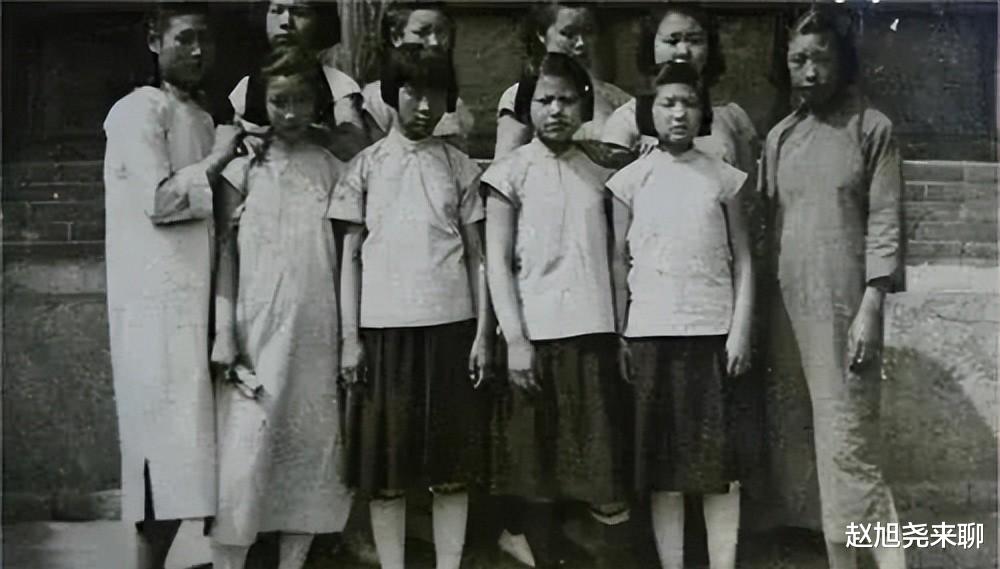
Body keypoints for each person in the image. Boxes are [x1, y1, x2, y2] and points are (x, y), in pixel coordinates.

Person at [329, 45, 492, 569]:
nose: (424, 106)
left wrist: (482, 334)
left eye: (436, 94)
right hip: (384, 333)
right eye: (412, 93)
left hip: (450, 330)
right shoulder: (365, 167)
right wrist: (351, 339)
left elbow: (478, 256)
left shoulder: (460, 167)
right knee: (387, 472)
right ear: (390, 94)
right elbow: (351, 257)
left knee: (451, 468)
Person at [759, 8, 905, 569]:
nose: (810, 71)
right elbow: (767, 225)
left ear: (843, 61)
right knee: (811, 450)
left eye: (821, 58)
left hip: (847, 307)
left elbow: (886, 222)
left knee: (850, 448)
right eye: (799, 60)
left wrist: (872, 304)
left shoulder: (872, 129)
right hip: (787, 310)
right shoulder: (780, 137)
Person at [103, 5, 243, 568]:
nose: (198, 51)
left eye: (205, 39)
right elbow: (160, 200)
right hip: (153, 311)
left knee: (193, 460)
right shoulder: (136, 111)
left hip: (199, 302)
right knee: (159, 461)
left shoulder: (204, 118)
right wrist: (221, 156)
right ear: (154, 40)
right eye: (185, 38)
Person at [483, 52, 631, 569]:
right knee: (537, 467)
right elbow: (497, 262)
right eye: (545, 100)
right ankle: (538, 553)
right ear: (528, 106)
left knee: (597, 464)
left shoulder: (600, 172)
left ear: (584, 106)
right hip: (536, 337)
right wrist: (515, 340)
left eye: (567, 100)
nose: (556, 110)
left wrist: (620, 331)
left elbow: (616, 256)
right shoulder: (508, 173)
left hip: (593, 333)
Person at [208, 46, 353, 569]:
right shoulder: (243, 169)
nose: (291, 113)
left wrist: (348, 338)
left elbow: (346, 255)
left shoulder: (333, 169)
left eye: (301, 100)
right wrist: (225, 331)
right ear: (261, 103)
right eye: (279, 101)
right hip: (256, 327)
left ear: (317, 102)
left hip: (316, 328)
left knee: (310, 450)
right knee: (244, 454)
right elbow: (225, 252)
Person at [606, 62, 754, 569]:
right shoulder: (629, 181)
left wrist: (739, 331)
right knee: (663, 466)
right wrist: (622, 333)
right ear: (651, 111)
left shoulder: (724, 177)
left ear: (702, 112)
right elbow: (618, 262)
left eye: (689, 103)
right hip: (651, 336)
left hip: (712, 336)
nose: (678, 113)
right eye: (667, 103)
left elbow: (744, 259)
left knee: (719, 466)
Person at [601, 4, 758, 178]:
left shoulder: (733, 118)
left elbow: (747, 188)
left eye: (695, 41)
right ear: (652, 47)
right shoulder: (628, 120)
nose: (683, 51)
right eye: (672, 41)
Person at [229, 0, 368, 161]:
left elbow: (355, 153)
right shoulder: (246, 88)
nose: (285, 22)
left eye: (300, 13)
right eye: (276, 11)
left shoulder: (339, 86)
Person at [493, 2, 631, 159]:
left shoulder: (618, 100)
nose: (581, 43)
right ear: (542, 34)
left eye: (588, 32)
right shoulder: (522, 94)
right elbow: (504, 163)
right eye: (569, 34)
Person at [360, 1, 474, 152]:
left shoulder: (450, 101)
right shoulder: (376, 99)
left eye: (441, 32)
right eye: (422, 33)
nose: (434, 42)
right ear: (396, 36)